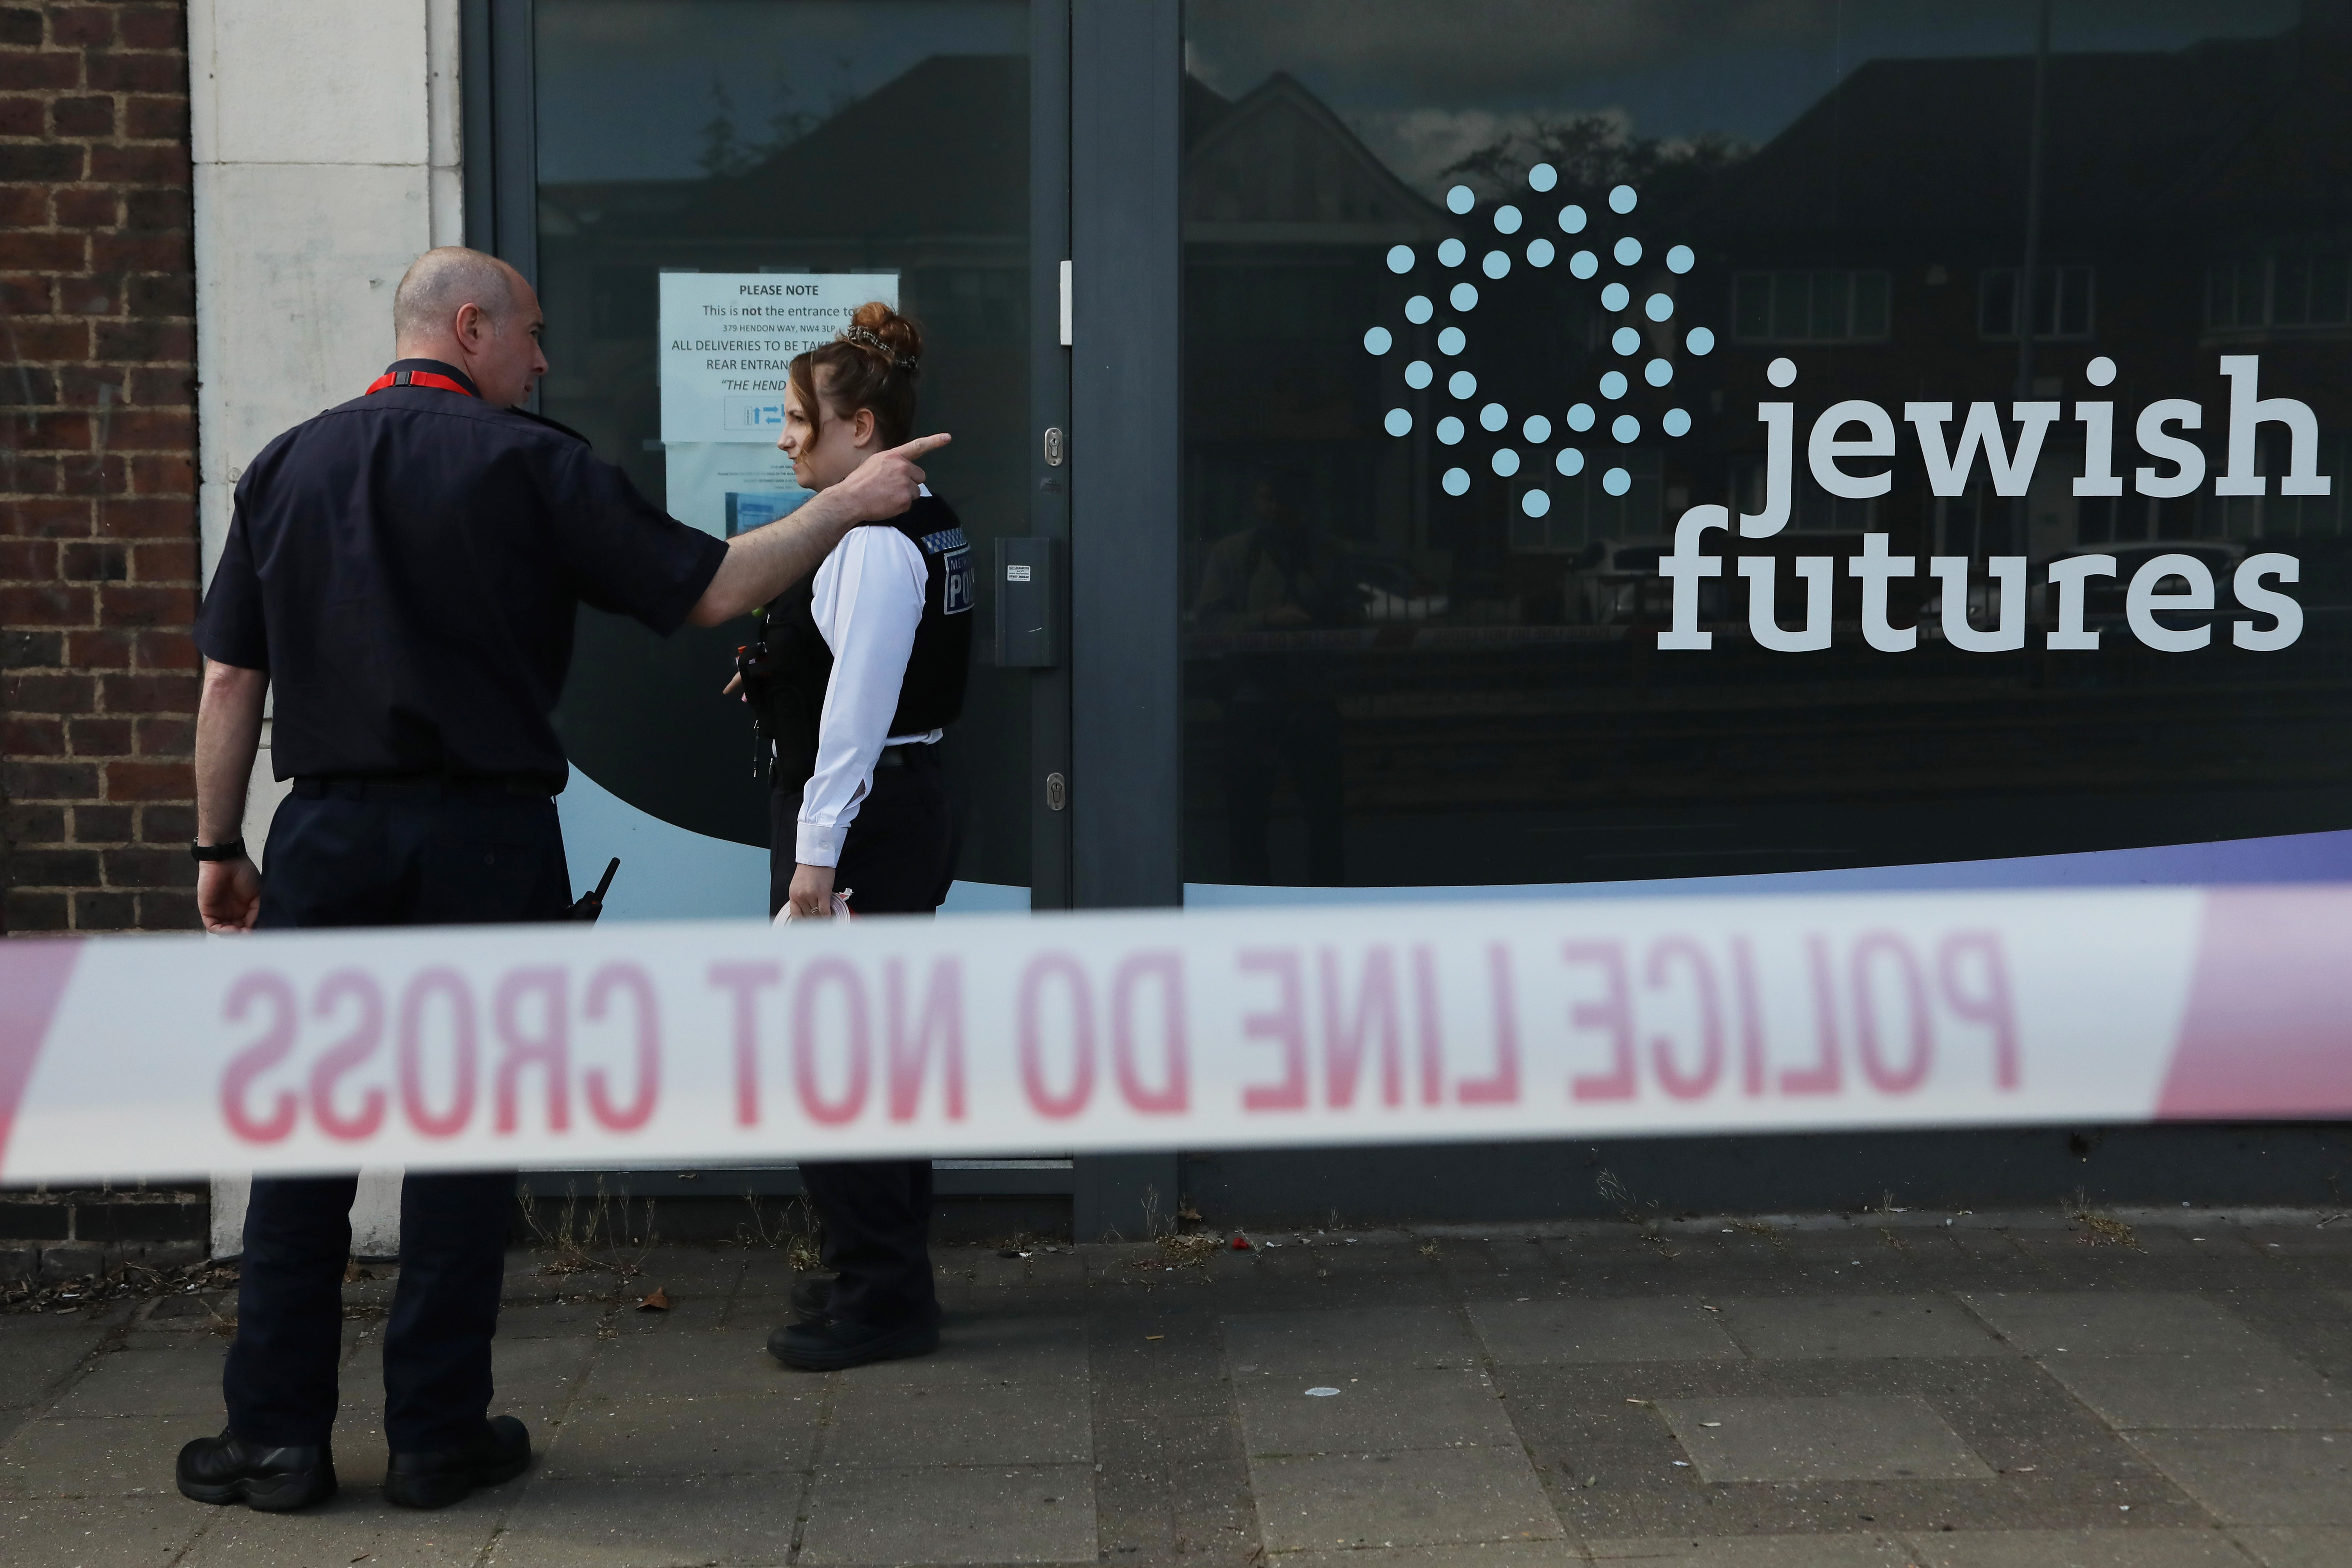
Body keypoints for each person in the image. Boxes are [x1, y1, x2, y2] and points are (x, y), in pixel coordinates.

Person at [181, 247, 947, 1513]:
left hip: (328, 840)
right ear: (468, 327)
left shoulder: (287, 465)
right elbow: (714, 586)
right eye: (530, 333)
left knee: (304, 1141)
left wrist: (220, 847)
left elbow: (228, 680)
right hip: (485, 844)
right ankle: (437, 1436)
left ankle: (273, 1441)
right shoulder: (532, 463)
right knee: (464, 1146)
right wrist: (850, 502)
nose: (542, 360)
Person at [732, 302, 972, 1372]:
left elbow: (859, 712)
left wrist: (816, 859)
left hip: (862, 819)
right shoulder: (923, 517)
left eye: (800, 420)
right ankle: (882, 1273)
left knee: (832, 1062)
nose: (786, 439)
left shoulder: (872, 542)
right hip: (899, 806)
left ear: (861, 428)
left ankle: (879, 1294)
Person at [1192, 467, 1360, 884]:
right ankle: (1252, 901)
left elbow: (1354, 620)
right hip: (1252, 698)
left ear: (1304, 504)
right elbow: (1209, 623)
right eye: (1267, 498)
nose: (1274, 509)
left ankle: (1326, 901)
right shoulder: (1233, 554)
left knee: (1325, 816)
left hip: (1310, 697)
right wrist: (1267, 621)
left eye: (1283, 499)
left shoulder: (1330, 553)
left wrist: (1325, 626)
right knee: (1247, 818)